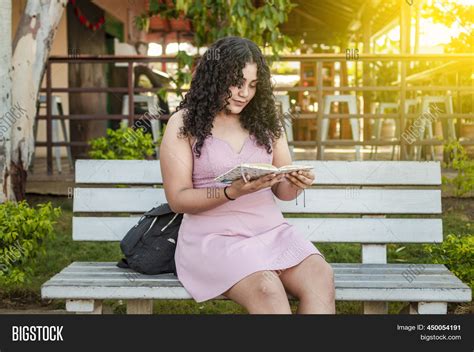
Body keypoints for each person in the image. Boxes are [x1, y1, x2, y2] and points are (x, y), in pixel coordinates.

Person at [160, 36, 335, 314]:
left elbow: (283, 193)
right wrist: (232, 192)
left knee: (320, 275)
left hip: (270, 231)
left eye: (252, 85)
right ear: (215, 78)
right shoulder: (184, 123)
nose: (244, 93)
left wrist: (295, 183)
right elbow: (178, 199)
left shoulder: (266, 121)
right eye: (236, 83)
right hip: (213, 239)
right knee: (267, 289)